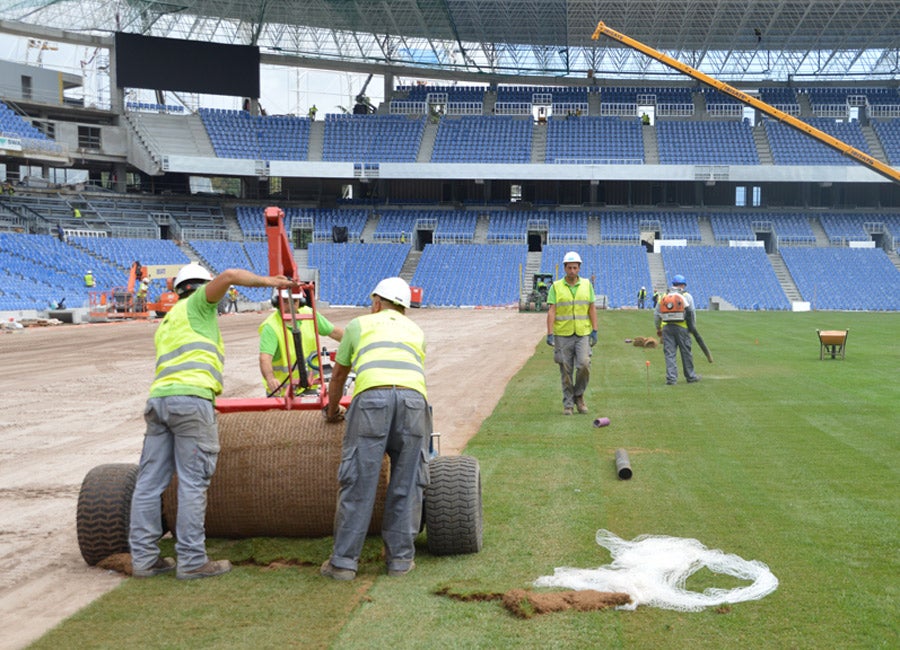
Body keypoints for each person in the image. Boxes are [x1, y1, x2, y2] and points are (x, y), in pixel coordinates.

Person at [128, 262, 296, 580]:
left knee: (149, 484)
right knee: (193, 482)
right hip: (191, 401)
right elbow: (230, 276)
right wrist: (270, 281)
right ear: (202, 287)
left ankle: (144, 560)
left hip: (159, 402)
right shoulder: (199, 304)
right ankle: (192, 561)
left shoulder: (168, 321)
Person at [321, 277, 429, 581]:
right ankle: (400, 561)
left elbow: (338, 375)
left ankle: (343, 564)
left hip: (372, 401)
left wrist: (332, 410)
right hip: (413, 402)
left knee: (359, 481)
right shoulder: (417, 331)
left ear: (378, 302)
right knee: (407, 483)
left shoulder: (359, 325)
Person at [258, 288, 343, 396]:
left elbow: (334, 332)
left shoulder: (309, 314)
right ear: (277, 302)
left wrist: (355, 343)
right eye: (285, 301)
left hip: (310, 386)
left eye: (294, 301)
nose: (290, 306)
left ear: (301, 302)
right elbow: (265, 358)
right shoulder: (271, 327)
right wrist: (270, 379)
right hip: (282, 392)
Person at [546, 252, 598, 415]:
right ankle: (568, 404)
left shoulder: (587, 285)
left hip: (582, 332)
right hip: (562, 334)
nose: (572, 271)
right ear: (565, 268)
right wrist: (550, 333)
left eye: (575, 267)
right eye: (569, 268)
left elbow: (591, 308)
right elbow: (552, 310)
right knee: (566, 370)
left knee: (584, 364)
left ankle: (579, 395)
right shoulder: (556, 287)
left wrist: (595, 330)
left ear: (579, 268)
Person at [654, 274, 701, 385]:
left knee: (669, 354)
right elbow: (691, 313)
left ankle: (671, 379)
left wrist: (658, 328)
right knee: (686, 353)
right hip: (682, 328)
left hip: (667, 328)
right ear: (683, 285)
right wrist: (692, 328)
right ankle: (690, 376)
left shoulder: (663, 296)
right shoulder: (687, 296)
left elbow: (656, 314)